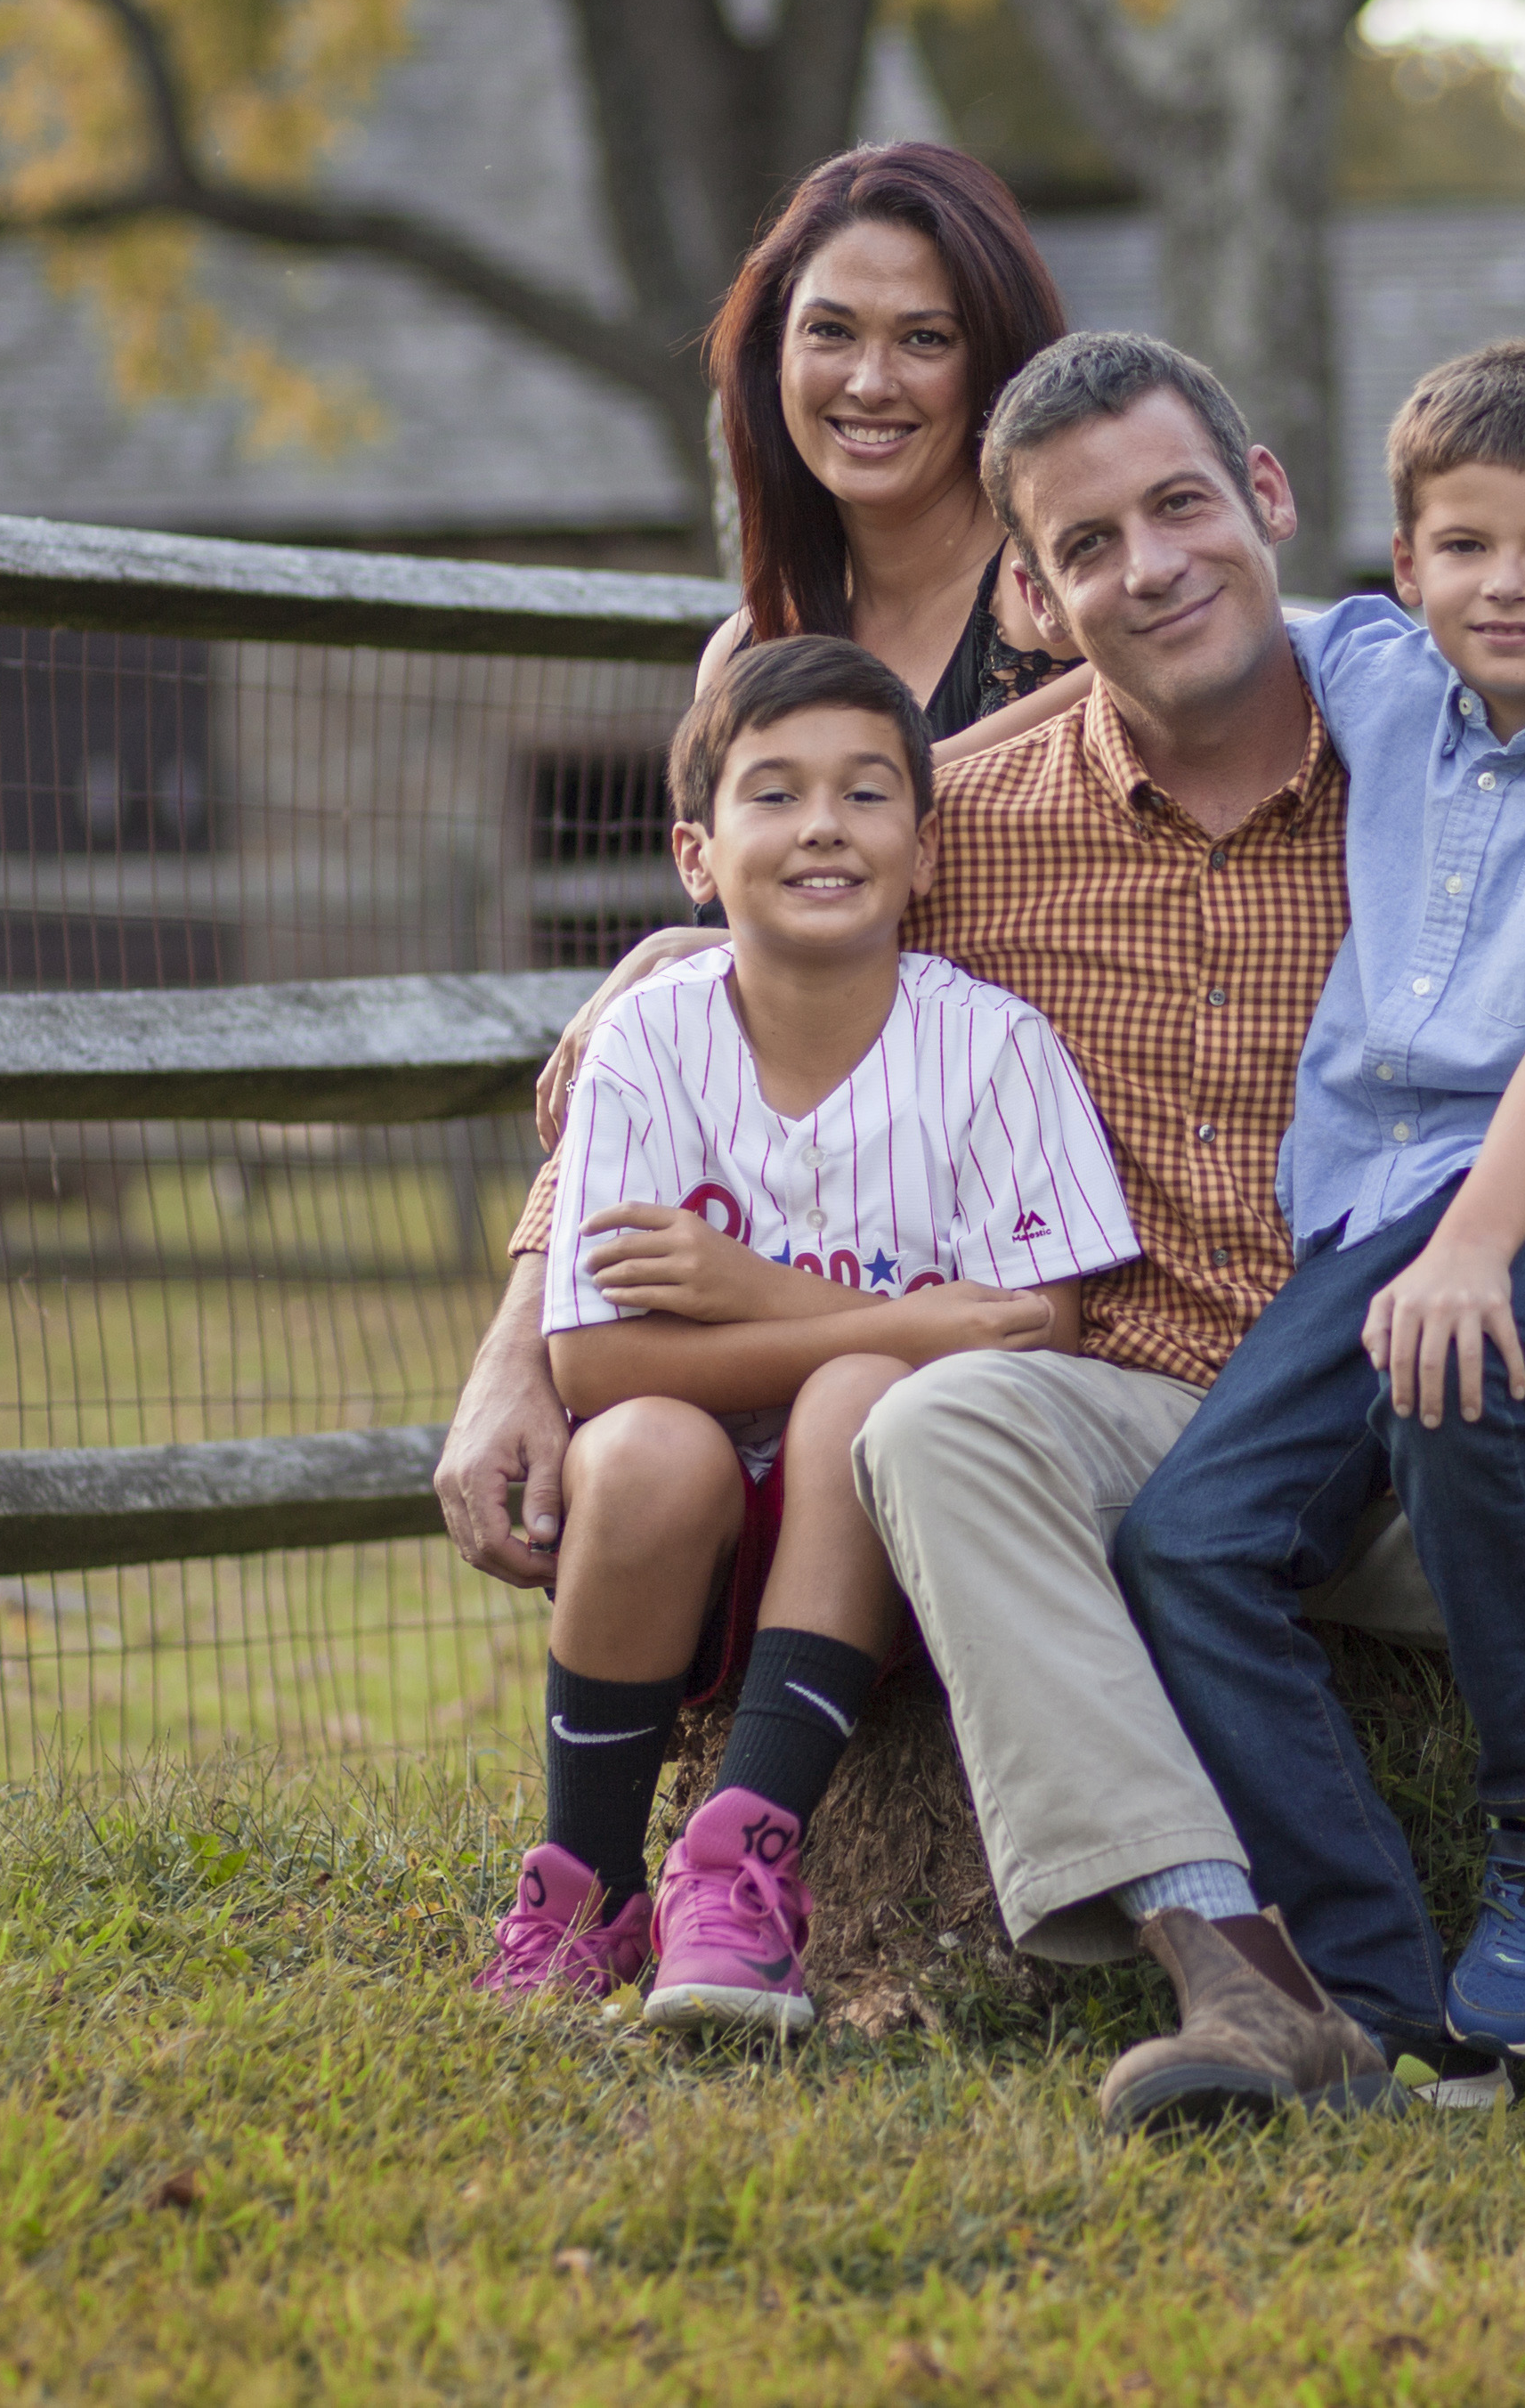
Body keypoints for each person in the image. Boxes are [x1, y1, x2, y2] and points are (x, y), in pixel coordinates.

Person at [443, 333, 1525, 2130]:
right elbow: (743, 974)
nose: (1154, 565)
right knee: (929, 1416)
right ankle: (1243, 1974)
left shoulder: (1439, 728)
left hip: (1456, 1416)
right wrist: (523, 1318)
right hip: (1152, 1425)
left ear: (1269, 502)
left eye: (1183, 505)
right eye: (1090, 545)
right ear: (1031, 589)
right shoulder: (974, 837)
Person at [1111, 341, 1525, 2068]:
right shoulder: (1376, 669)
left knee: (1457, 1348)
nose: (1508, 583)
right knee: (1188, 1541)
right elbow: (1181, 629)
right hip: (1386, 1207)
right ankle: (1391, 2003)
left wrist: (1476, 1247)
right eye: (1467, 545)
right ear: (1402, 566)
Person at [481, 637, 1137, 2039]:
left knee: (856, 1393)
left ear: (923, 841)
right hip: (683, 1537)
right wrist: (899, 1316)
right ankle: (582, 1884)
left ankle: (741, 1861)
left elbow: (1035, 1325)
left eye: (864, 793)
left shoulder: (994, 1047)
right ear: (695, 857)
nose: (823, 826)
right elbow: (594, 1367)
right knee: (652, 1442)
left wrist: (741, 1289)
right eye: (772, 795)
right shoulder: (648, 1040)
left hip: (898, 1540)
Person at [695, 140, 1082, 753]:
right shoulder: (744, 654)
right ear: (772, 353)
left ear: (997, 363)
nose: (869, 384)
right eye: (830, 331)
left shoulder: (1060, 603)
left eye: (924, 338)